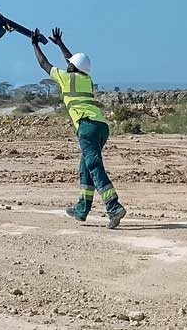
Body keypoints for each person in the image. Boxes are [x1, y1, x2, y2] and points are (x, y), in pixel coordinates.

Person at [30, 27, 126, 229]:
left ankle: (113, 206)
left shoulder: (66, 78)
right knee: (85, 167)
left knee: (94, 166)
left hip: (87, 126)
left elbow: (43, 63)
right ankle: (82, 210)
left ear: (71, 68)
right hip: (101, 125)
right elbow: (72, 61)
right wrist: (59, 44)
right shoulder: (86, 79)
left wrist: (34, 45)